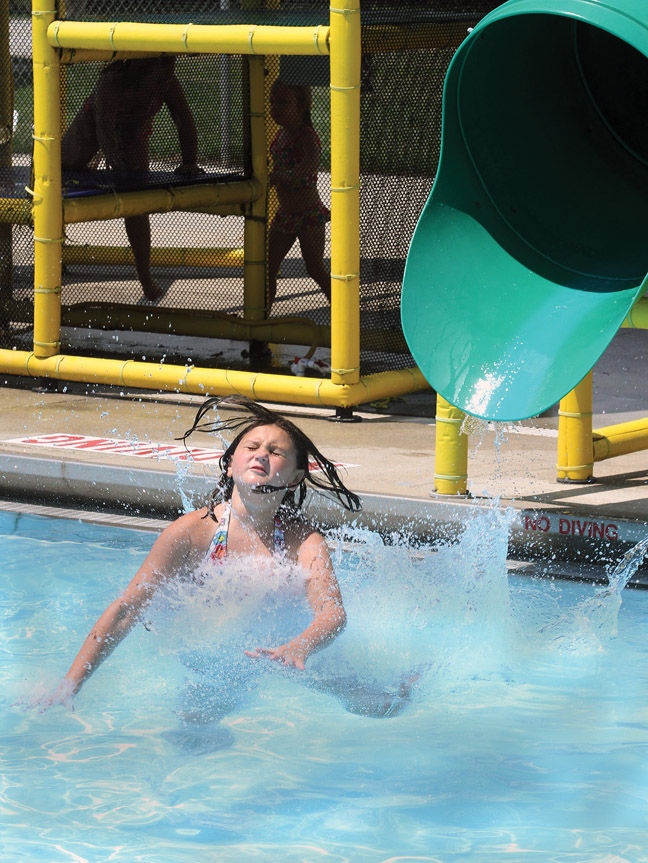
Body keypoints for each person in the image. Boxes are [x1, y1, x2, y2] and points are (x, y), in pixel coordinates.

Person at [39, 396, 362, 721]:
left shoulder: (302, 542)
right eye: (252, 447)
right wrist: (71, 684)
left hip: (279, 658)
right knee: (191, 732)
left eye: (275, 452)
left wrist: (299, 646)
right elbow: (126, 610)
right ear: (230, 462)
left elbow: (332, 612)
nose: (261, 454)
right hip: (204, 666)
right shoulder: (192, 534)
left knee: (375, 706)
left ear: (295, 477)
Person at [61, 57, 202, 302]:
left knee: (137, 207)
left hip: (134, 135)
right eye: (161, 72)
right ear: (143, 65)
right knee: (66, 163)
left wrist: (189, 161)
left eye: (170, 69)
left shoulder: (166, 81)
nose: (167, 75)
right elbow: (103, 126)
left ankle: (145, 276)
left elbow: (184, 119)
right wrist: (115, 163)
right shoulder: (114, 78)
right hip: (94, 130)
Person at [267, 80, 331, 311]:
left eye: (283, 103)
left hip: (308, 214)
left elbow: (312, 160)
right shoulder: (280, 135)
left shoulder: (305, 135)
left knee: (314, 267)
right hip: (286, 215)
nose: (275, 108)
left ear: (302, 106)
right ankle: (261, 314)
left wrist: (288, 176)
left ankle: (343, 310)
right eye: (272, 102)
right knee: (267, 268)